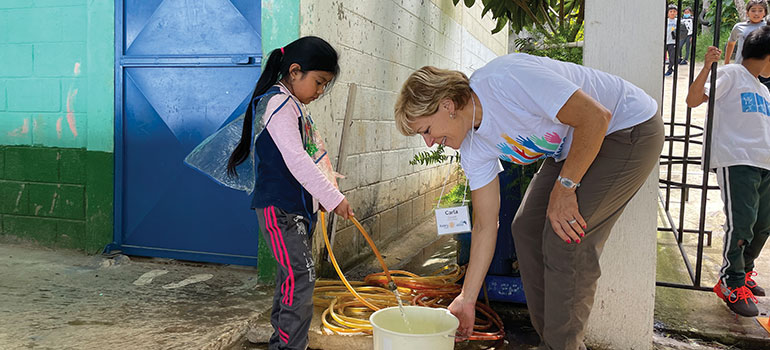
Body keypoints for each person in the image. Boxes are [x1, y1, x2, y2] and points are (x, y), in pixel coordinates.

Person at [394, 53, 664, 350]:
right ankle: (554, 342)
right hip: (575, 144)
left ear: (447, 106)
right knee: (526, 228)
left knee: (565, 237)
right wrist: (466, 299)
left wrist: (565, 189)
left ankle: (561, 346)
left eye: (427, 131)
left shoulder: (505, 80)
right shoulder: (473, 146)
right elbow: (485, 225)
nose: (429, 143)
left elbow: (595, 117)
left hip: (626, 130)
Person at [186, 36, 354, 350]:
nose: (320, 91)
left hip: (296, 209)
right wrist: (334, 199)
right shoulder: (278, 103)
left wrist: (326, 195)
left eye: (325, 85)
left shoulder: (295, 106)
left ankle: (285, 341)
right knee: (300, 278)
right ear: (294, 71)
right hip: (280, 211)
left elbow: (316, 158)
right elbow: (297, 160)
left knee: (293, 278)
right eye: (318, 82)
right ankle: (289, 346)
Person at [686, 26, 770, 318]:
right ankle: (730, 283)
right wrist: (708, 66)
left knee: (762, 226)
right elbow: (693, 100)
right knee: (742, 223)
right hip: (737, 160)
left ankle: (744, 273)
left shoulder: (764, 90)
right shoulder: (732, 75)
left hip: (764, 163)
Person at [724, 0, 767, 65]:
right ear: (747, 13)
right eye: (753, 10)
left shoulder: (767, 27)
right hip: (741, 66)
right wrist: (726, 62)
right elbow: (731, 43)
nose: (756, 13)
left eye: (760, 10)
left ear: (765, 13)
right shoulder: (739, 27)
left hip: (762, 68)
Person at [665, 4, 682, 76]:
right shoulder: (665, 21)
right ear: (668, 12)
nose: (672, 13)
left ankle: (670, 69)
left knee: (672, 57)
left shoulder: (678, 21)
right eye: (670, 11)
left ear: (676, 12)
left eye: (674, 11)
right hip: (665, 41)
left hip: (673, 42)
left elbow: (683, 31)